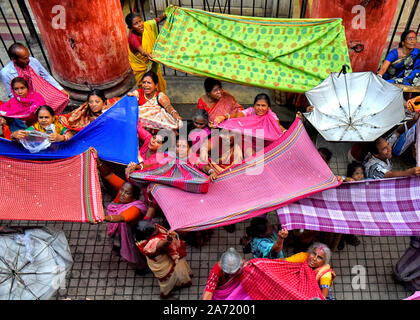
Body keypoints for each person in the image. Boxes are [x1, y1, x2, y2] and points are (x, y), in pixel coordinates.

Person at [92, 148, 154, 272]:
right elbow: (108, 175)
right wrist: (98, 160)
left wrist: (104, 218)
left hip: (131, 233)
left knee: (134, 252)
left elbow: (122, 217)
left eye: (127, 193)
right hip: (118, 229)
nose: (122, 194)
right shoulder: (124, 187)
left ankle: (141, 268)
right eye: (122, 190)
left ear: (133, 197)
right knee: (118, 244)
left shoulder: (135, 208)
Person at [135, 220, 193, 299]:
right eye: (154, 230)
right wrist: (168, 239)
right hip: (164, 264)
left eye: (155, 227)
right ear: (148, 235)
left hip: (172, 257)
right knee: (167, 281)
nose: (157, 229)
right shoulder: (151, 244)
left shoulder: (152, 228)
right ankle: (165, 295)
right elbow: (160, 245)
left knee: (179, 269)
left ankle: (182, 281)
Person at [0, 43, 69, 98]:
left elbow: (46, 76)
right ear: (14, 59)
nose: (28, 60)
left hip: (41, 94)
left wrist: (60, 89)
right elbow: (11, 94)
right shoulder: (5, 73)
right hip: (23, 100)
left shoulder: (33, 61)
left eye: (28, 56)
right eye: (24, 58)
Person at [125, 12, 167, 92]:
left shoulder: (146, 25)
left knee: (156, 79)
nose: (140, 25)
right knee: (146, 84)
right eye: (136, 24)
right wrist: (148, 54)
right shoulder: (133, 38)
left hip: (150, 60)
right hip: (142, 65)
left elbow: (157, 20)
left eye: (140, 21)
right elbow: (142, 51)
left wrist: (167, 13)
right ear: (131, 27)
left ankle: (158, 97)